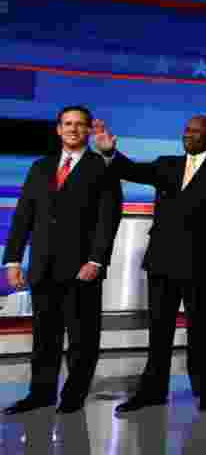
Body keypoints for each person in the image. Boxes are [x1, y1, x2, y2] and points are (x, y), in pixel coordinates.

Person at [92, 115, 206, 413]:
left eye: (196, 132)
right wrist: (109, 152)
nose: (188, 135)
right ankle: (152, 392)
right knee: (159, 331)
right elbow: (131, 170)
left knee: (202, 331)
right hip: (162, 260)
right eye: (186, 130)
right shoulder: (166, 164)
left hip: (201, 263)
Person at [2, 106, 122, 415]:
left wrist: (96, 260)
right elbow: (23, 215)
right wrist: (13, 259)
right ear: (58, 129)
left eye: (80, 125)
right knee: (44, 337)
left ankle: (73, 398)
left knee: (82, 338)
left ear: (88, 131)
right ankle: (40, 394)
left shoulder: (103, 167)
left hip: (82, 268)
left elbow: (109, 218)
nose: (73, 129)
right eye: (67, 124)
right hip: (43, 266)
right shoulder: (40, 167)